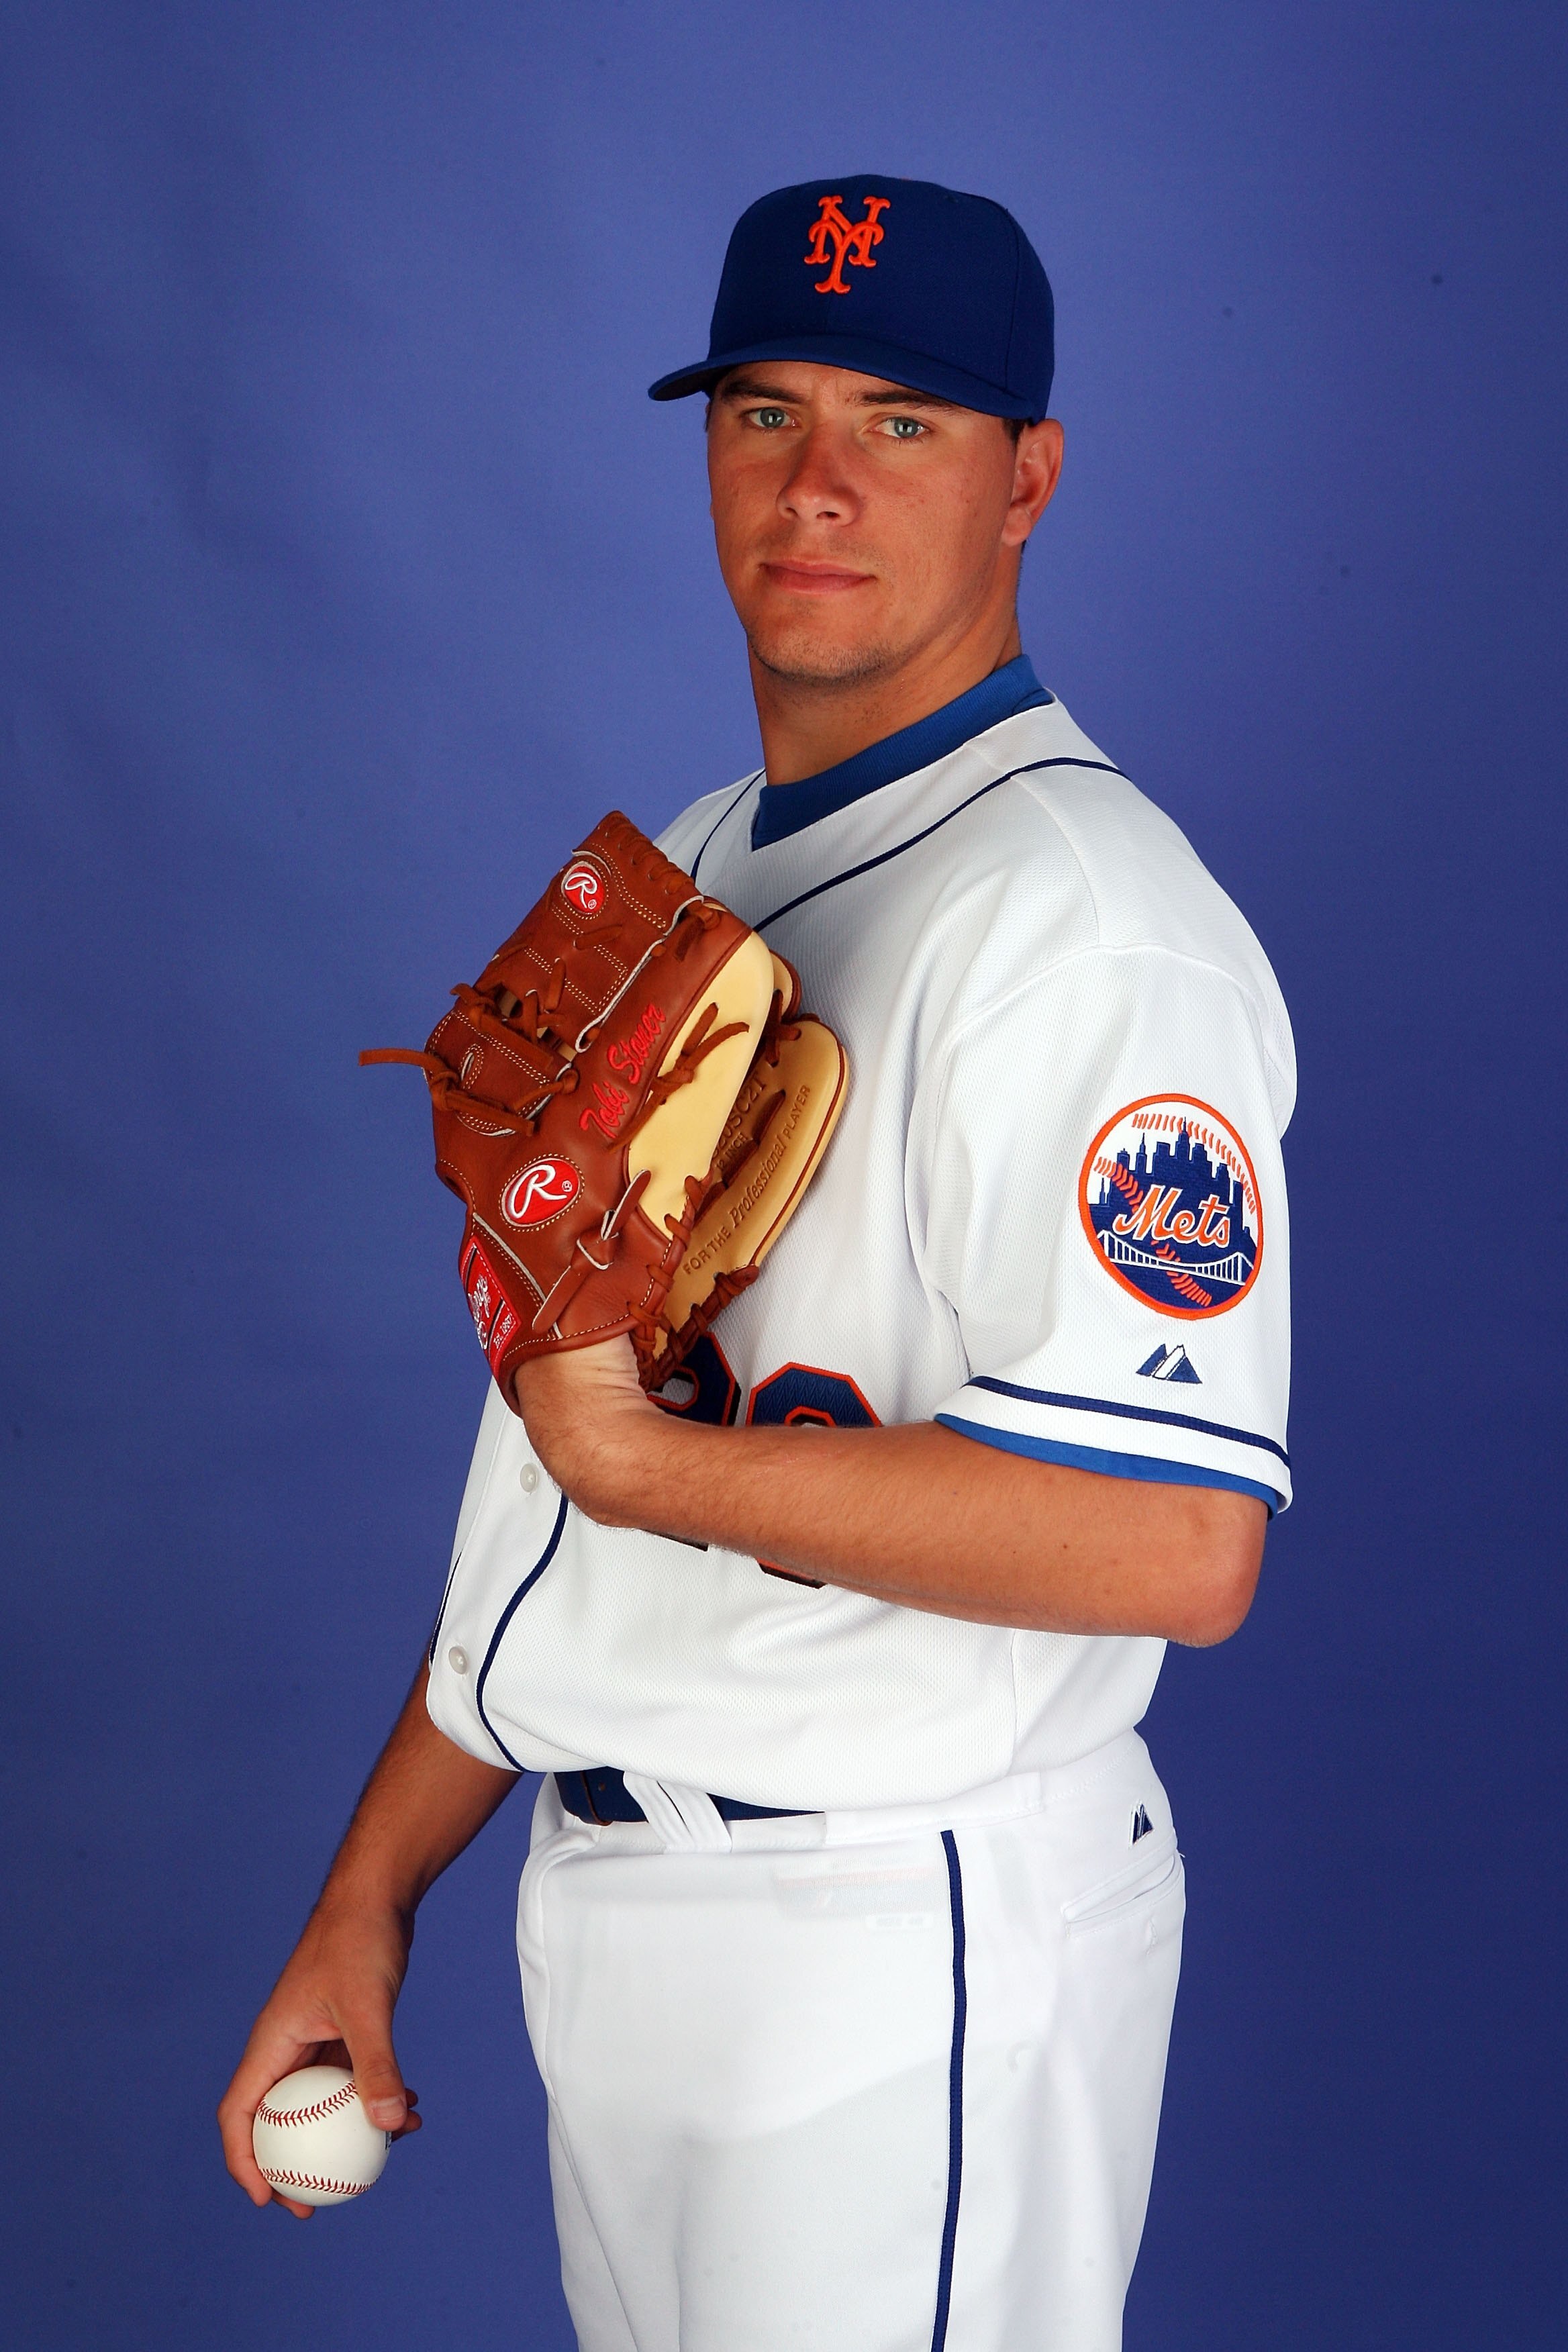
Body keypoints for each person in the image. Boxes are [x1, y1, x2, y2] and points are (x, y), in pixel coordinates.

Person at [220, 175, 1294, 2351]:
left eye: (903, 421)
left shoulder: (1086, 919)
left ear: (1029, 480)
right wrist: (371, 1892)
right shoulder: (695, 866)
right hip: (622, 1906)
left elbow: (1181, 1543)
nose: (816, 482)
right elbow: (554, 1455)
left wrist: (655, 1473)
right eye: (762, 411)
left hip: (904, 1929)